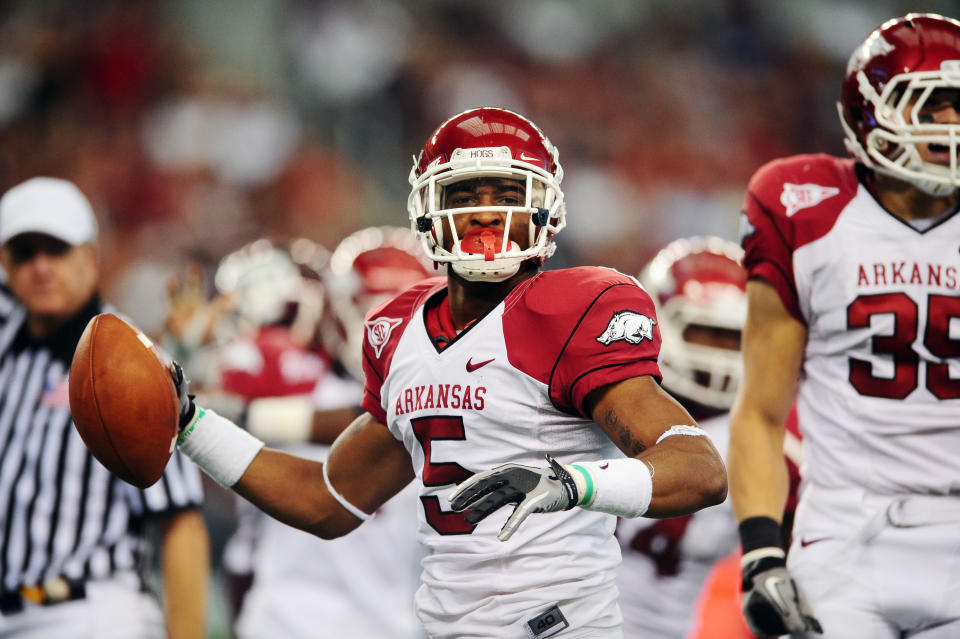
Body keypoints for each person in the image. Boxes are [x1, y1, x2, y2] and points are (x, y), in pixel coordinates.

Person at [172, 107, 727, 638]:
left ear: (545, 208)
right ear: (428, 210)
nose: (486, 213)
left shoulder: (574, 309)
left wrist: (569, 484)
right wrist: (192, 425)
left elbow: (697, 468)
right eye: (465, 195)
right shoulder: (397, 329)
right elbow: (326, 500)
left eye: (507, 194)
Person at [728, 13, 960, 639]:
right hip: (847, 532)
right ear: (871, 111)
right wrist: (761, 551)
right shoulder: (803, 205)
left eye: (959, 107)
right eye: (932, 105)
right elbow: (761, 411)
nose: (950, 125)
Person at [0, 177, 208, 638]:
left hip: (84, 614)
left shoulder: (131, 363)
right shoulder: (9, 343)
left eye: (56, 250)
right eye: (24, 253)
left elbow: (180, 521)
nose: (41, 267)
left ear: (91, 257)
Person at [616, 236, 746, 638]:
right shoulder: (604, 403)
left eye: (733, 337)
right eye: (707, 333)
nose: (721, 353)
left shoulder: (766, 439)